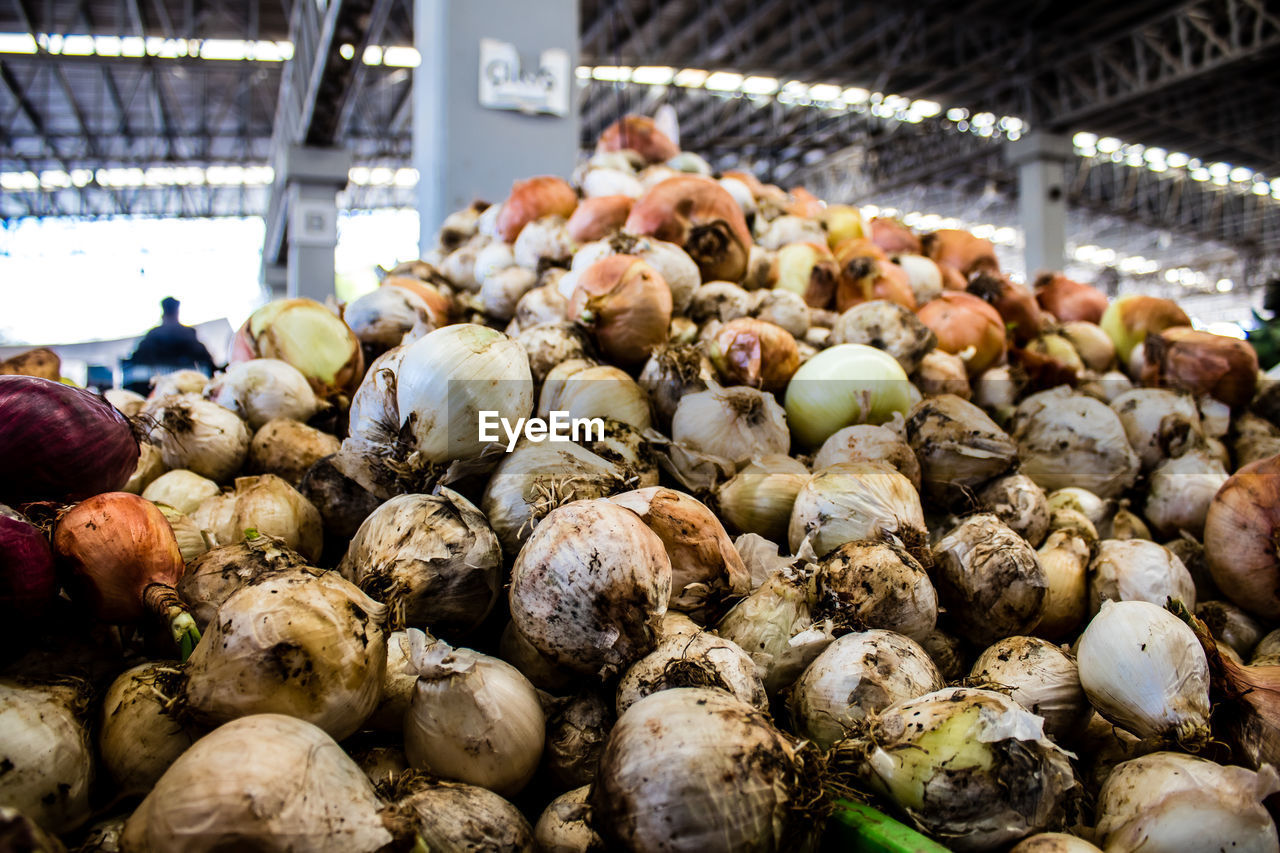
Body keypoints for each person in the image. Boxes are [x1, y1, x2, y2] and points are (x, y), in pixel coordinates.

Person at [126, 298, 216, 385]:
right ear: (177, 313)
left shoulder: (153, 333)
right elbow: (208, 360)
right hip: (182, 384)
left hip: (161, 384)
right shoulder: (188, 333)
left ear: (163, 314)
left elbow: (136, 358)